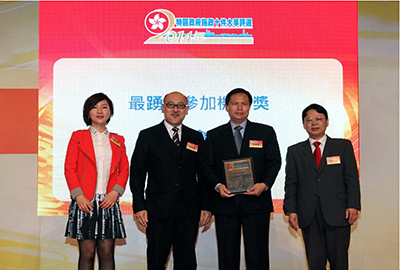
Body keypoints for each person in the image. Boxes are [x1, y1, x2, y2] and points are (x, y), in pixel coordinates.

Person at [201, 88, 282, 270]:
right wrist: (217, 185)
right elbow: (205, 165)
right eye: (235, 103)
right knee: (227, 257)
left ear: (250, 107)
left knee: (258, 256)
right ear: (226, 107)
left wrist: (264, 184)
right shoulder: (214, 135)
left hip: (256, 201)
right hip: (225, 203)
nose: (239, 107)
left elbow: (274, 162)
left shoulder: (265, 132)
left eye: (244, 103)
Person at [130, 91, 212, 270]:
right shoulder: (148, 136)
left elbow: (204, 174)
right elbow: (137, 173)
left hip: (188, 210)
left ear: (187, 110)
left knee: (186, 261)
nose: (175, 109)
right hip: (157, 209)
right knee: (157, 260)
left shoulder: (196, 137)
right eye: (171, 105)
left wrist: (206, 205)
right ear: (162, 108)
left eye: (180, 105)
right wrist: (139, 206)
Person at [284, 103, 361, 270]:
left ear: (327, 122)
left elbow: (352, 178)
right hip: (309, 214)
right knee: (315, 263)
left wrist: (353, 205)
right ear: (303, 124)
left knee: (339, 262)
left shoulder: (343, 146)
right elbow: (291, 183)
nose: (314, 123)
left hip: (338, 212)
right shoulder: (295, 151)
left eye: (319, 119)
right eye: (309, 120)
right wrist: (291, 210)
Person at [64, 93, 129, 270]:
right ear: (88, 112)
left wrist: (115, 192)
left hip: (109, 201)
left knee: (107, 254)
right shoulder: (78, 136)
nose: (99, 111)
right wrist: (79, 196)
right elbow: (69, 167)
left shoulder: (118, 140)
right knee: (87, 254)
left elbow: (124, 169)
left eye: (104, 107)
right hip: (84, 202)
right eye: (94, 107)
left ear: (110, 112)